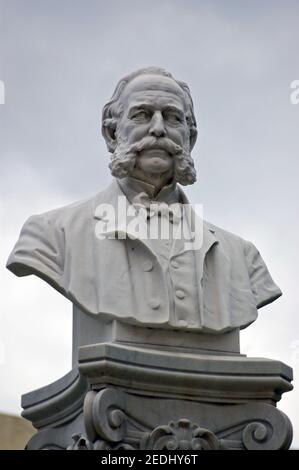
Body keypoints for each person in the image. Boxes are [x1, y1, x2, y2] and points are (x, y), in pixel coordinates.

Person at [6, 67, 282, 333]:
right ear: (112, 134)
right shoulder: (53, 234)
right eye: (142, 115)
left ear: (190, 138)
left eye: (173, 117)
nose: (159, 129)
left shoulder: (243, 257)